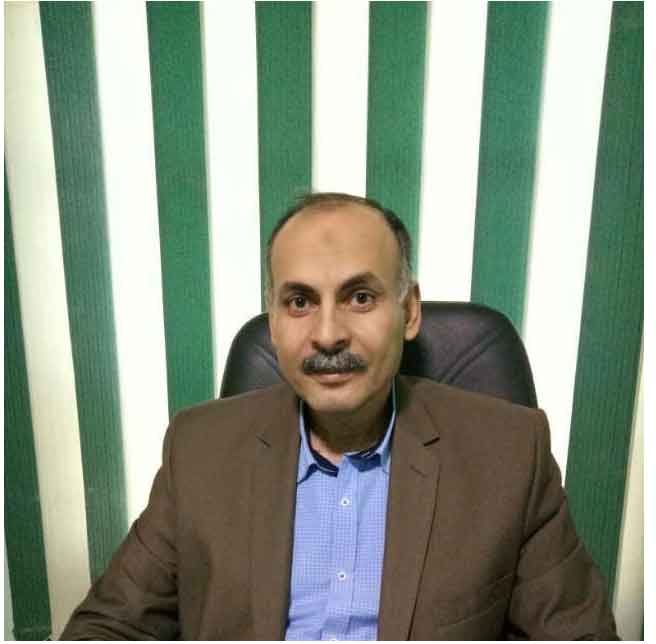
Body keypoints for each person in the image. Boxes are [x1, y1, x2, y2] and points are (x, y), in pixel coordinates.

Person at [61, 193, 618, 640]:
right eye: (300, 302)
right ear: (273, 322)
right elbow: (110, 626)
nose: (327, 334)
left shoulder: (510, 454)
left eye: (360, 298)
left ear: (409, 311)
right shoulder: (199, 450)